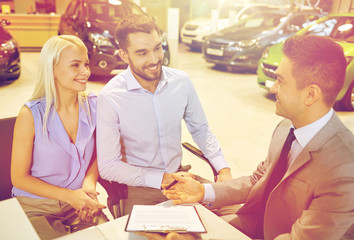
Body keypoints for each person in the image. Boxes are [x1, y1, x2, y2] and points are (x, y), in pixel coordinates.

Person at [163, 35, 354, 240]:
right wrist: (203, 191)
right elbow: (259, 179)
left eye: (280, 81)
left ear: (310, 94)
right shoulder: (286, 127)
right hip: (254, 223)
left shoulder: (344, 168)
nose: (272, 88)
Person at [96, 14, 232, 215]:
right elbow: (108, 166)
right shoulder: (111, 97)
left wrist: (223, 169)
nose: (154, 60)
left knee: (235, 213)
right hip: (141, 187)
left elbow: (201, 130)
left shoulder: (181, 82)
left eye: (157, 48)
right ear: (124, 56)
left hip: (181, 177)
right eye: (142, 53)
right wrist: (160, 179)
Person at [11, 35, 108, 240]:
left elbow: (102, 151)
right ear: (52, 69)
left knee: (109, 235)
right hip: (36, 206)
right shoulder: (30, 115)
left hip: (80, 203)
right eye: (75, 65)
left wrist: (88, 185)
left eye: (86, 64)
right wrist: (69, 196)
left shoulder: (94, 105)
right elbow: (18, 178)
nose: (85, 72)